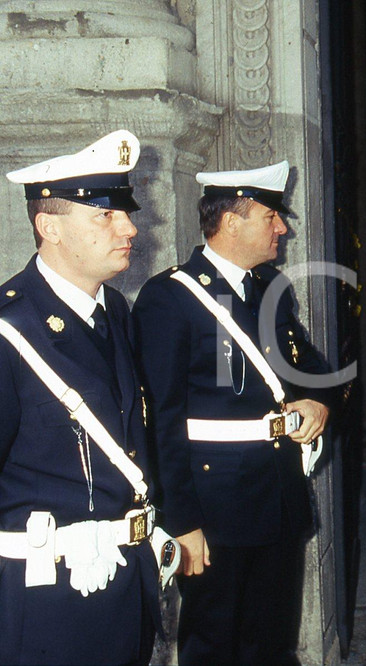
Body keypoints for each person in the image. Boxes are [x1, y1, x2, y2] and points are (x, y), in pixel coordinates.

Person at [132, 161, 331, 664]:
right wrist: (181, 521)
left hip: (278, 497)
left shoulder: (269, 287)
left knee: (271, 642)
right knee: (214, 644)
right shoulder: (170, 297)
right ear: (231, 220)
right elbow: (161, 420)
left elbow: (307, 364)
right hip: (214, 508)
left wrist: (318, 400)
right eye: (271, 216)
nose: (282, 228)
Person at [0, 131, 159, 664]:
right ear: (50, 227)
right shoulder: (10, 328)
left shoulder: (114, 311)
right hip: (46, 604)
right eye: (105, 216)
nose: (130, 227)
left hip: (124, 585)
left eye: (125, 213)